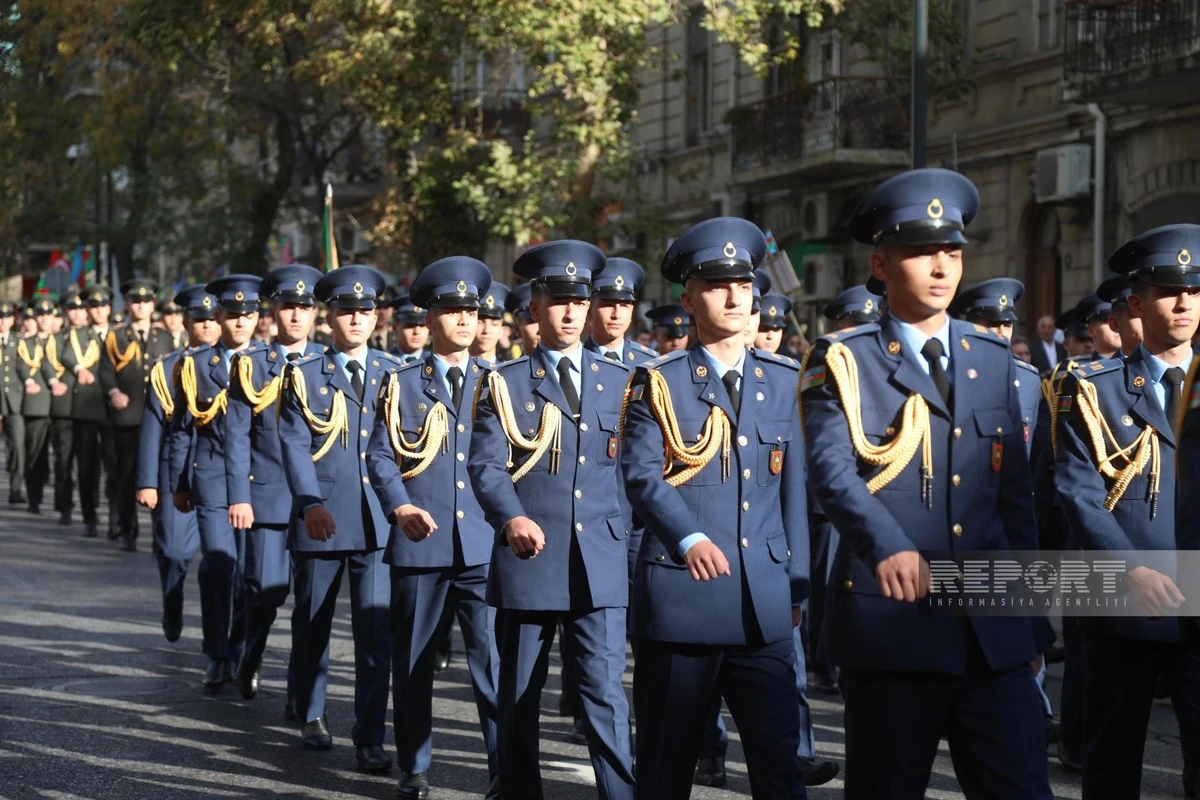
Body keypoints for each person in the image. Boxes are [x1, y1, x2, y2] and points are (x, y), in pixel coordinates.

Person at [801, 168, 1051, 799]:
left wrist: (1033, 625)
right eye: (920, 252)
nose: (941, 266)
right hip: (895, 627)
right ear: (881, 265)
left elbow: (1014, 501)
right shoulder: (843, 359)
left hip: (992, 628)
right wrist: (887, 544)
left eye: (951, 252)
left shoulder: (992, 358)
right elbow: (832, 472)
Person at [620, 218, 812, 799]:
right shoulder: (657, 382)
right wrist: (688, 538)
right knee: (666, 764)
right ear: (688, 298)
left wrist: (797, 585)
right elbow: (642, 477)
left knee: (780, 765)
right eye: (716, 285)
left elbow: (792, 491)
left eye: (744, 285)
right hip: (683, 600)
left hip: (764, 605)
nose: (734, 297)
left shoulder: (784, 380)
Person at [469, 241, 635, 800]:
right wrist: (510, 519)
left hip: (601, 562)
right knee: (519, 694)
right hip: (530, 557)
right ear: (534, 307)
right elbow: (487, 467)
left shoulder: (625, 381)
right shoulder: (505, 382)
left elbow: (637, 473)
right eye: (556, 299)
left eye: (579, 300)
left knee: (604, 693)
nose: (569, 312)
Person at [1056, 224, 1200, 799]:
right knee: (1112, 757)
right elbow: (1078, 492)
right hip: (1122, 593)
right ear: (1136, 305)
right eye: (1169, 290)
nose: (1185, 302)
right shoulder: (1094, 387)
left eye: (1195, 290)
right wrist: (1128, 569)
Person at [366, 256, 500, 798]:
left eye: (472, 310)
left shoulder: (499, 382)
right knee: (415, 661)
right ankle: (414, 766)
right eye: (453, 310)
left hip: (484, 544)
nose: (465, 320)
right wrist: (399, 507)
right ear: (430, 316)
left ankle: (503, 768)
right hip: (421, 543)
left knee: (492, 664)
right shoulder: (401, 382)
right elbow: (379, 457)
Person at [278, 265, 400, 764]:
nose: (356, 320)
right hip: (322, 516)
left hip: (377, 519)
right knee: (312, 622)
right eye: (346, 312)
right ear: (329, 318)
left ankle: (369, 736)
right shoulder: (304, 374)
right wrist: (308, 503)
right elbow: (292, 442)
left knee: (375, 632)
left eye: (365, 312)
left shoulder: (396, 372)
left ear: (377, 318)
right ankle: (310, 711)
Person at [224, 265, 326, 707]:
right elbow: (236, 437)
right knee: (266, 591)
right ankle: (252, 649)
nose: (297, 315)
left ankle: (298, 691)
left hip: (318, 499)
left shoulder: (328, 362)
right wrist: (239, 496)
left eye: (305, 307)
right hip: (266, 493)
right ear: (274, 310)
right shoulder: (251, 366)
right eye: (289, 306)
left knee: (308, 600)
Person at [167, 275, 262, 689]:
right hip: (211, 479)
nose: (240, 322)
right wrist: (179, 482)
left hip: (260, 483)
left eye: (247, 315)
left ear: (258, 318)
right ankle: (218, 652)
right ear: (218, 316)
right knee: (219, 568)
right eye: (232, 314)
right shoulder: (196, 365)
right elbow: (182, 428)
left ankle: (243, 646)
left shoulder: (272, 364)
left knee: (252, 575)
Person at [137, 285, 218, 642]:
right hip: (177, 469)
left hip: (220, 468)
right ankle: (172, 603)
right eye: (199, 320)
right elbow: (153, 427)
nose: (207, 326)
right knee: (172, 550)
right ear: (185, 322)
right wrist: (147, 481)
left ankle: (221, 634)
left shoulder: (239, 365)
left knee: (221, 559)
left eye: (213, 319)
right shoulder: (168, 368)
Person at [100, 279, 173, 549]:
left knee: (158, 478)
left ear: (153, 304)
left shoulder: (164, 338)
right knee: (126, 476)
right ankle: (128, 530)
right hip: (127, 417)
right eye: (135, 301)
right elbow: (105, 370)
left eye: (146, 301)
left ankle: (158, 534)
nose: (140, 306)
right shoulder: (116, 336)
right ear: (128, 304)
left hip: (158, 417)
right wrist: (113, 392)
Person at [62, 285, 114, 539]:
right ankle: (89, 515)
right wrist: (78, 367)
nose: (98, 310)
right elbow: (65, 355)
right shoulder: (77, 336)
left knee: (115, 466)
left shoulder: (119, 334)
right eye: (93, 306)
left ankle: (118, 517)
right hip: (86, 407)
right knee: (87, 466)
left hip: (115, 409)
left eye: (103, 305)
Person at [48, 290, 85, 526]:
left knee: (88, 463)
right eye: (72, 309)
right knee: (63, 460)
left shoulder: (95, 337)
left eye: (80, 308)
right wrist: (52, 380)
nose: (77, 313)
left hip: (89, 407)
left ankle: (89, 508)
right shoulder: (57, 338)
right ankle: (64, 506)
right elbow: (45, 362)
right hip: (63, 406)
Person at [17, 298, 56, 517]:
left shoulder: (63, 341)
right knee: (36, 454)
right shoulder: (25, 343)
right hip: (37, 404)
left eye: (47, 314)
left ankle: (64, 504)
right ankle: (34, 497)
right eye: (38, 315)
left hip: (63, 405)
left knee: (65, 457)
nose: (43, 318)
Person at [584, 257, 657, 367]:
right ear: (589, 310)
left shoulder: (650, 362)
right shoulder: (575, 361)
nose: (617, 314)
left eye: (624, 305)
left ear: (632, 310)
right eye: (608, 305)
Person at [0, 300, 24, 507]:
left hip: (15, 403)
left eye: (6, 317)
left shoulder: (20, 342)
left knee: (17, 446)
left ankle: (15, 489)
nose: (2, 322)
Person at [1097, 273, 1144, 358]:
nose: (1148, 320)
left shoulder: (1173, 367)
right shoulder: (1110, 371)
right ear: (1114, 324)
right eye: (1136, 314)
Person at [470, 281, 510, 366]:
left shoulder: (509, 375)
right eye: (480, 322)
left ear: (501, 331)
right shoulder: (456, 373)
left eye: (494, 324)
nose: (487, 330)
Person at [391, 294, 430, 364]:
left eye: (422, 325)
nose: (417, 332)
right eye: (410, 325)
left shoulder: (434, 362)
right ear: (395, 328)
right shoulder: (384, 362)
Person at [505, 282, 539, 356]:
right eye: (532, 321)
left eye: (546, 321)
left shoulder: (567, 367)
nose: (541, 329)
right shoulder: (512, 368)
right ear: (517, 329)